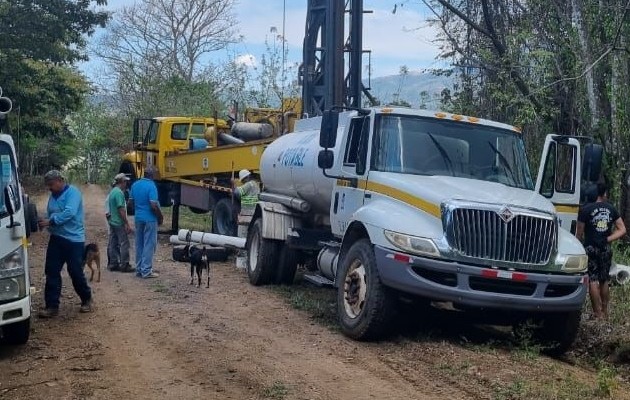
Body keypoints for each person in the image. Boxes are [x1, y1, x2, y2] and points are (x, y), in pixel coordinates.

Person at [38, 170, 92, 317]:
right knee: (52, 271)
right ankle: (52, 306)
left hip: (73, 239)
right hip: (56, 238)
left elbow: (70, 213)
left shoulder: (73, 193)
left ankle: (86, 298)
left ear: (60, 180)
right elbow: (51, 213)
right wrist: (45, 222)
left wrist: (51, 221)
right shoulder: (53, 195)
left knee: (75, 271)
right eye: (48, 185)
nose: (49, 187)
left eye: (51, 184)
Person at [577, 182, 627, 320]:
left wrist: (578, 245)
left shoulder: (586, 209)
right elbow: (622, 229)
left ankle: (597, 313)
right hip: (605, 248)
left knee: (592, 279)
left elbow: (579, 232)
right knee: (604, 279)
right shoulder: (611, 209)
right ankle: (605, 312)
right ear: (604, 194)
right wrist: (609, 238)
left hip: (590, 248)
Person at [129, 166, 163, 279]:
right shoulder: (151, 186)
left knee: (139, 243)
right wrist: (160, 216)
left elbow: (130, 203)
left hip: (138, 218)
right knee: (149, 244)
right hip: (150, 219)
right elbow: (153, 205)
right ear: (152, 175)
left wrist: (138, 211)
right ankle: (146, 270)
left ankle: (139, 269)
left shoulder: (135, 185)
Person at [107, 173, 134, 272]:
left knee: (113, 243)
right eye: (125, 181)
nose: (126, 183)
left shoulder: (112, 192)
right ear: (121, 182)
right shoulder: (119, 193)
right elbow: (121, 209)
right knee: (124, 243)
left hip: (112, 221)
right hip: (118, 222)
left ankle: (113, 263)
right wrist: (126, 223)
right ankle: (124, 264)